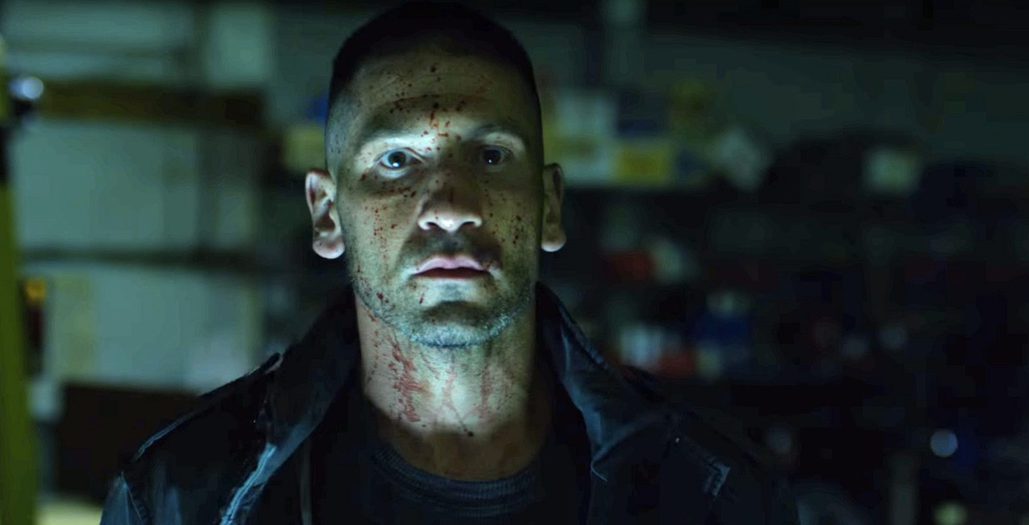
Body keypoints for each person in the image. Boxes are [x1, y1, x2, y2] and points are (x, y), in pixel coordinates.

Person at [100, 2, 798, 523]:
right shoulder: (184, 497)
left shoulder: (713, 495)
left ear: (549, 206)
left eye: (490, 156)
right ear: (327, 213)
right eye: (396, 160)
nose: (451, 206)